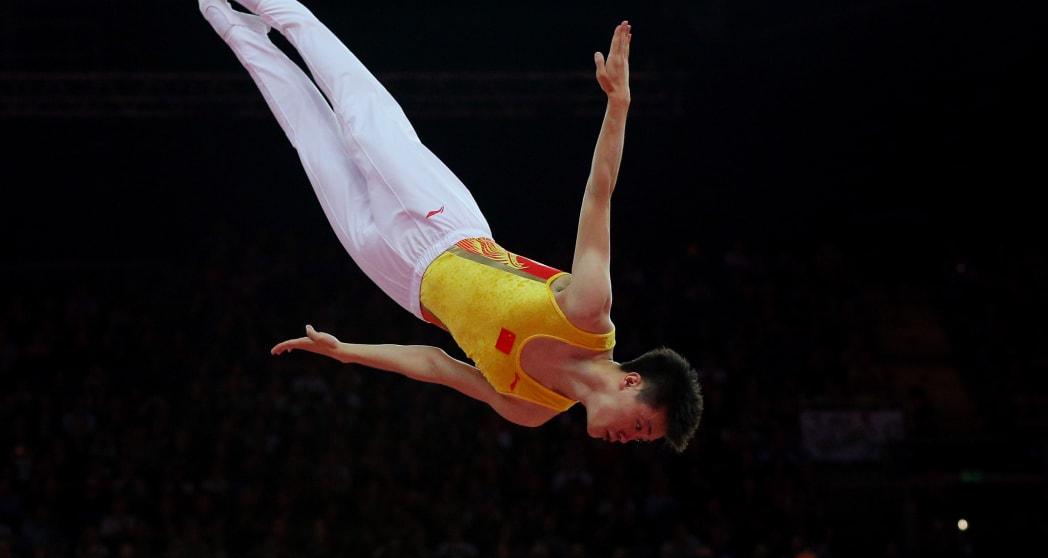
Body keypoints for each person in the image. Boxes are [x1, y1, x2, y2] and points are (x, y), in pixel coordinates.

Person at [198, 0, 703, 452]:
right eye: (642, 427)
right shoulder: (588, 314)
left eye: (641, 440)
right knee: (357, 108)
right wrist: (618, 106)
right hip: (440, 225)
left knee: (312, 141)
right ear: (632, 383)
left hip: (404, 283)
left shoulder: (531, 409)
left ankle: (223, 18)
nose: (629, 440)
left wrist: (348, 353)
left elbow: (437, 365)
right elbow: (599, 195)